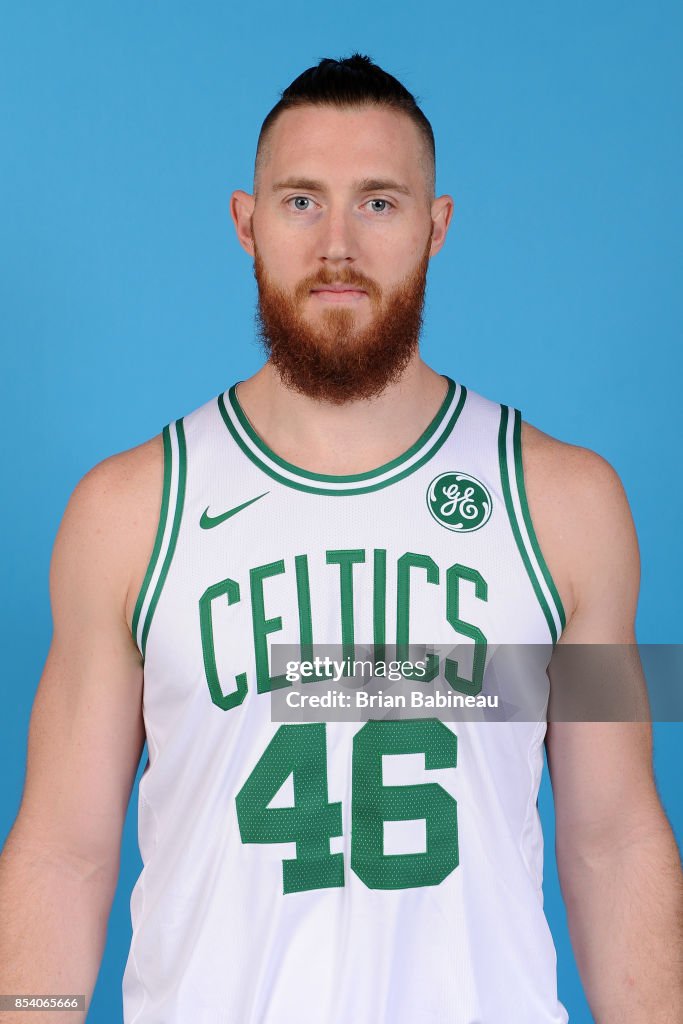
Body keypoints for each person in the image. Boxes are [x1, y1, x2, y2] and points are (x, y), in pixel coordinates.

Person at [0, 53, 680, 1024]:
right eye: (300, 201)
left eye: (377, 203)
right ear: (246, 222)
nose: (335, 246)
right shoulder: (125, 512)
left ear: (435, 226)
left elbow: (611, 836)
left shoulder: (567, 504)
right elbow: (64, 848)